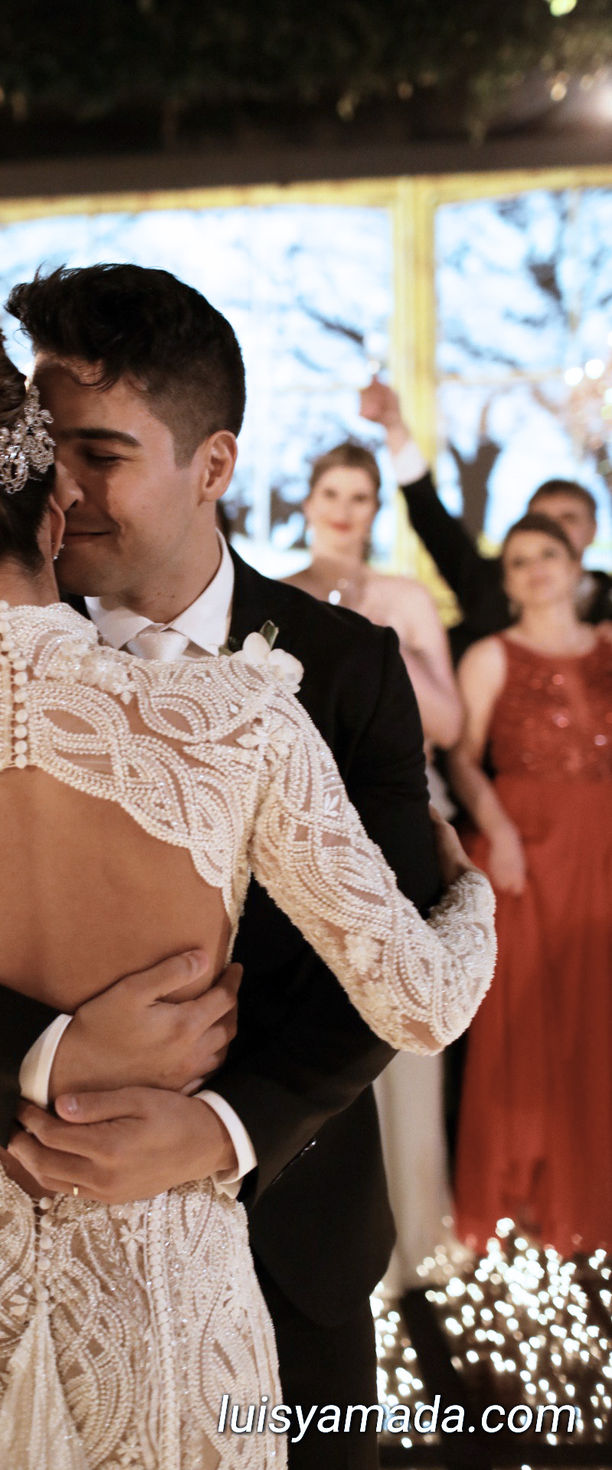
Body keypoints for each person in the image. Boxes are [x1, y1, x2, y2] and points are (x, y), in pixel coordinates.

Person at [0, 282, 495, 1470]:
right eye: (51, 453)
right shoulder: (235, 717)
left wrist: (222, 1128)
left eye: (99, 452)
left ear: (210, 464)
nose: (70, 485)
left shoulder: (340, 668)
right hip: (62, 1293)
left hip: (280, 1235)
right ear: (36, 508)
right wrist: (46, 1054)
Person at [285, 440, 462, 1289]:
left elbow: (452, 725)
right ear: (309, 501)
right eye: (333, 493)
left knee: (403, 1015)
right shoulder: (274, 592)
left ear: (374, 509)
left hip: (395, 825)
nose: (345, 511)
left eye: (360, 496)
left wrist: (381, 641)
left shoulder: (405, 598)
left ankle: (412, 1224)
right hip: (306, 826)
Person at [448, 513, 612, 1257]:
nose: (536, 568)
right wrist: (500, 831)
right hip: (528, 846)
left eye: (548, 554)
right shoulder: (491, 655)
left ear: (577, 565)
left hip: (600, 843)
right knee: (529, 1018)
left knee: (595, 1015)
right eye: (519, 560)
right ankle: (526, 1195)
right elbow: (461, 758)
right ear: (507, 582)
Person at [359, 378, 612, 659]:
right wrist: (394, 426)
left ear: (594, 529)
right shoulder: (485, 588)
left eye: (568, 519)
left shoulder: (608, 602)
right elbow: (433, 522)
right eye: (540, 520)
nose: (553, 530)